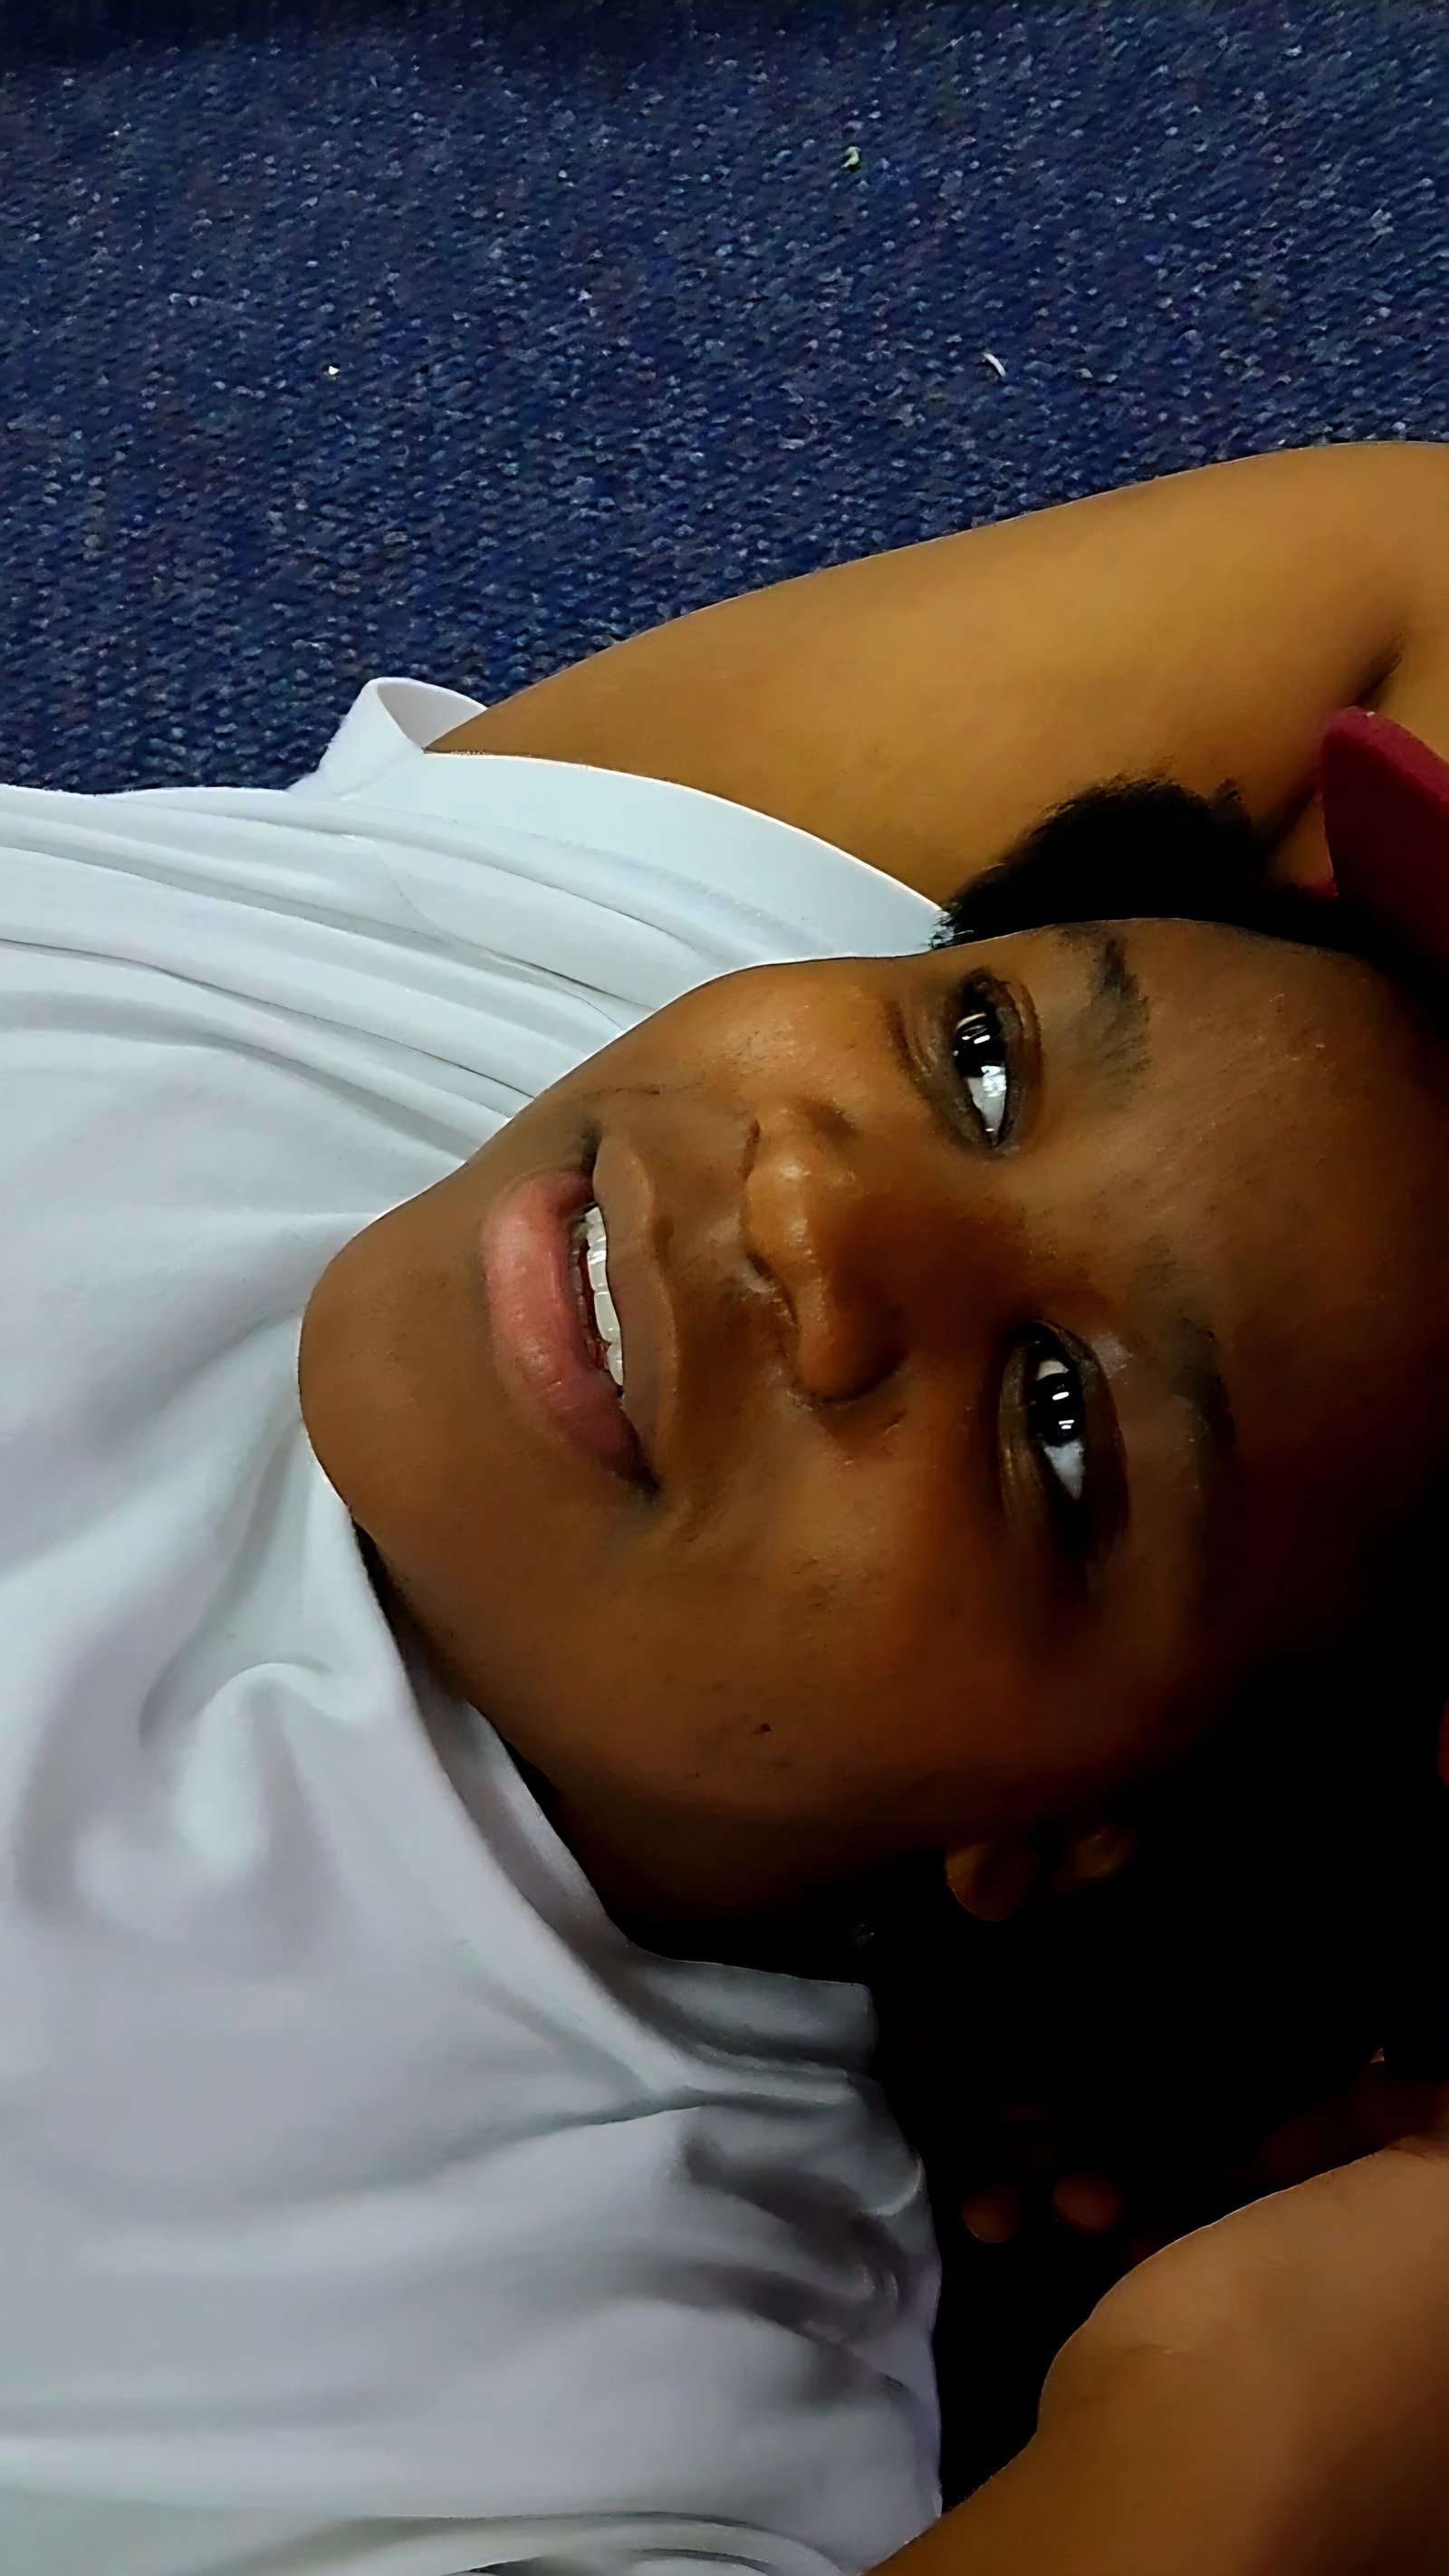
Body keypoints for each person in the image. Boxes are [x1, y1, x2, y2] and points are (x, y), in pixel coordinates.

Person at [1, 439, 1448, 2576]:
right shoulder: (554, 969)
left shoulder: (551, 2378)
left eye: (1058, 1425)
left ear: (1071, 1833)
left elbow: (1284, 2431)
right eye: (980, 1058)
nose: (806, 1202)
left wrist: (1244, 2425)